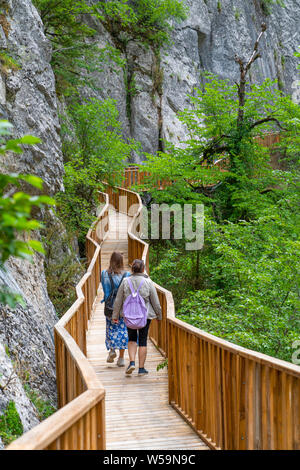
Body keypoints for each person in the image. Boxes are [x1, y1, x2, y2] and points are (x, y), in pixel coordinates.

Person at [112, 259, 162, 376]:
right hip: (144, 316)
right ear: (143, 269)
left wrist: (115, 316)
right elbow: (155, 301)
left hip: (129, 316)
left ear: (132, 269)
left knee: (132, 338)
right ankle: (141, 368)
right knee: (143, 340)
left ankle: (132, 362)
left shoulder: (125, 281)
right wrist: (159, 315)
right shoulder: (148, 282)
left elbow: (118, 300)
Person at [101, 252, 130, 366]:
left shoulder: (104, 274)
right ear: (121, 262)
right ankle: (121, 358)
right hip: (122, 308)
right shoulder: (126, 275)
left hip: (109, 307)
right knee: (122, 330)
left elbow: (104, 289)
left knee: (111, 328)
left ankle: (112, 350)